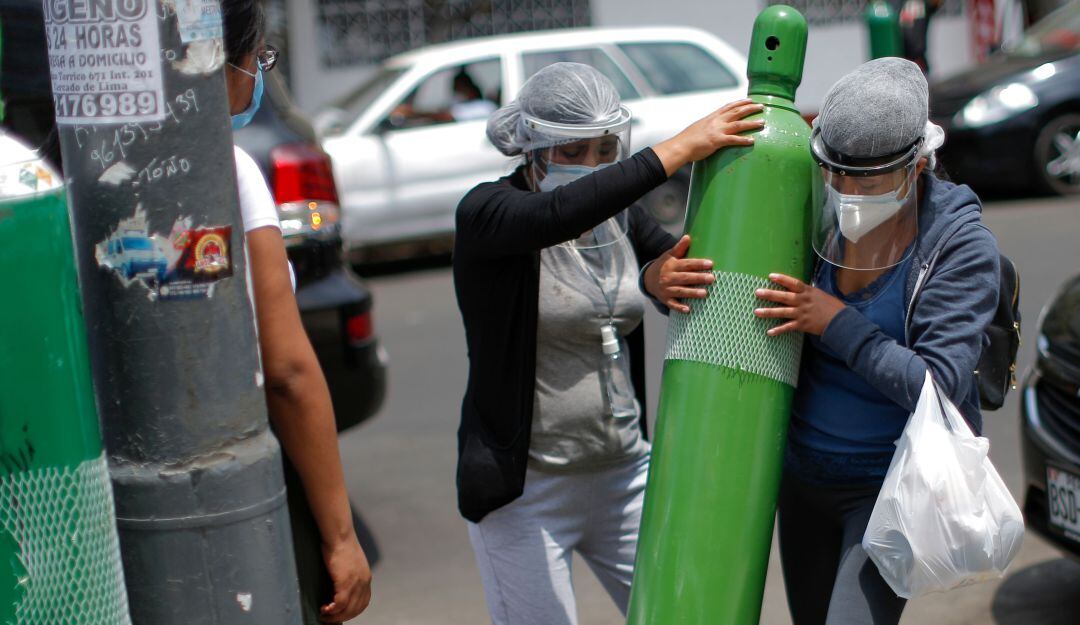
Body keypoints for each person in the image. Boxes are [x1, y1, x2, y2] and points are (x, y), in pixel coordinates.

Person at [453, 61, 763, 625]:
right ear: (533, 148)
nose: (592, 167)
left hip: (624, 475)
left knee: (682, 615)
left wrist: (657, 281)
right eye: (572, 152)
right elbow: (556, 214)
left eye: (604, 150)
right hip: (527, 492)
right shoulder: (488, 213)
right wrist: (679, 148)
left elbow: (682, 274)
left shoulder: (621, 218)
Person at [752, 58, 1001, 625]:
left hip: (889, 492)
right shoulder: (819, 213)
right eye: (834, 174)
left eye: (866, 179)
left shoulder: (958, 247)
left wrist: (836, 323)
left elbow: (938, 385)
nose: (845, 191)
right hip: (802, 482)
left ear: (916, 167)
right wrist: (658, 277)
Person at [222, 1, 372, 622]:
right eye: (259, 56)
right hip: (242, 473)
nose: (260, 71)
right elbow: (286, 368)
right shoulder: (229, 171)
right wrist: (341, 536)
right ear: (221, 60)